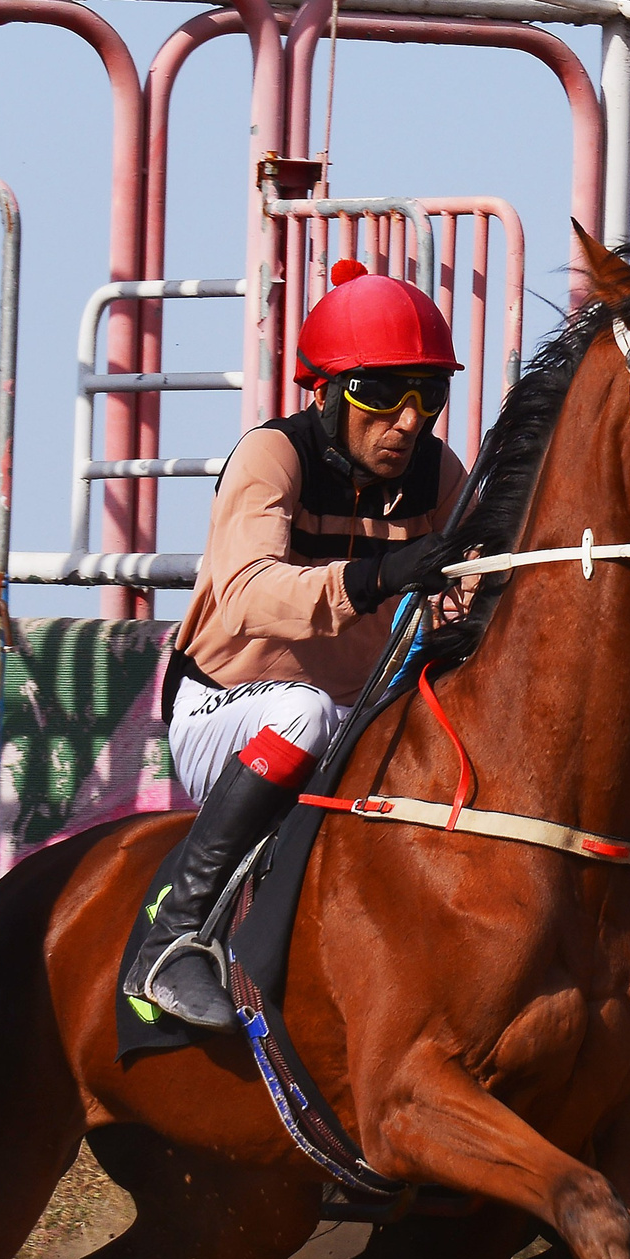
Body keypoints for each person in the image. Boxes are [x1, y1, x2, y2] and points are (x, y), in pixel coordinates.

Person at [125, 261, 469, 1030]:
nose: (408, 420)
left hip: (356, 723)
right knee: (304, 710)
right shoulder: (271, 456)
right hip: (223, 710)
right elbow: (247, 594)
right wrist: (374, 578)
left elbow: (479, 595)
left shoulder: (441, 474)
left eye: (428, 394)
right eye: (383, 393)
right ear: (326, 392)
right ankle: (172, 938)